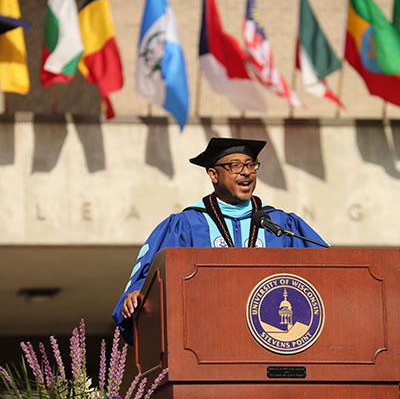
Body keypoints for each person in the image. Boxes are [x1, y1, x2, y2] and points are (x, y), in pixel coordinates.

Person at [112, 137, 327, 343]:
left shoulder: (280, 224)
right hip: (205, 337)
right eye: (235, 165)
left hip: (273, 338)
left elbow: (328, 271)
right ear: (214, 175)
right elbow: (152, 275)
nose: (246, 172)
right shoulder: (186, 225)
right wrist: (139, 292)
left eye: (251, 165)